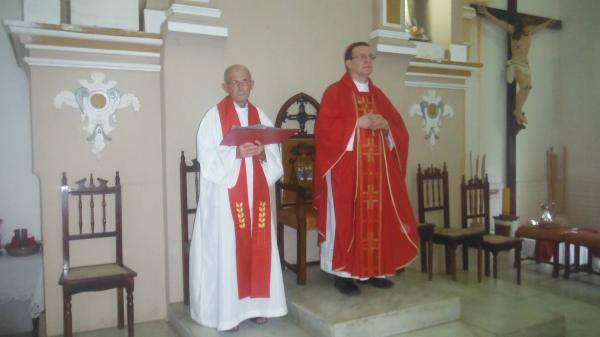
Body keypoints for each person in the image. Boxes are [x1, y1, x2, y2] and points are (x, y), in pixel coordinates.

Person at [314, 42, 420, 296]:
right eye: (360, 56)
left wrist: (386, 126)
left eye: (370, 56)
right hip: (346, 172)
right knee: (346, 219)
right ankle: (343, 273)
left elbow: (398, 128)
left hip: (377, 174)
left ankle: (376, 270)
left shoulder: (378, 95)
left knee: (377, 218)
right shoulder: (335, 92)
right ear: (348, 63)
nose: (367, 60)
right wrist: (356, 123)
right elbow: (324, 132)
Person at [189, 64, 287, 331]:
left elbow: (275, 155)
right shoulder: (213, 117)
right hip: (224, 197)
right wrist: (235, 154)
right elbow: (206, 158)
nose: (241, 87)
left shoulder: (261, 115)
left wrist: (262, 153)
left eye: (245, 81)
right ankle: (227, 312)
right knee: (228, 248)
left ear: (252, 84)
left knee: (258, 244)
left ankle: (258, 306)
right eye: (235, 82)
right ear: (225, 87)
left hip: (257, 195)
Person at [478, 5, 555, 126]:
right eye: (528, 28)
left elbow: (539, 27)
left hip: (525, 65)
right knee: (524, 85)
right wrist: (486, 13)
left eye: (530, 28)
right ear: (522, 26)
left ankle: (518, 110)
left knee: (528, 87)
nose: (530, 30)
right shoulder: (513, 30)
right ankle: (517, 111)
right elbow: (498, 23)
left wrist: (548, 23)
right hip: (516, 64)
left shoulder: (530, 32)